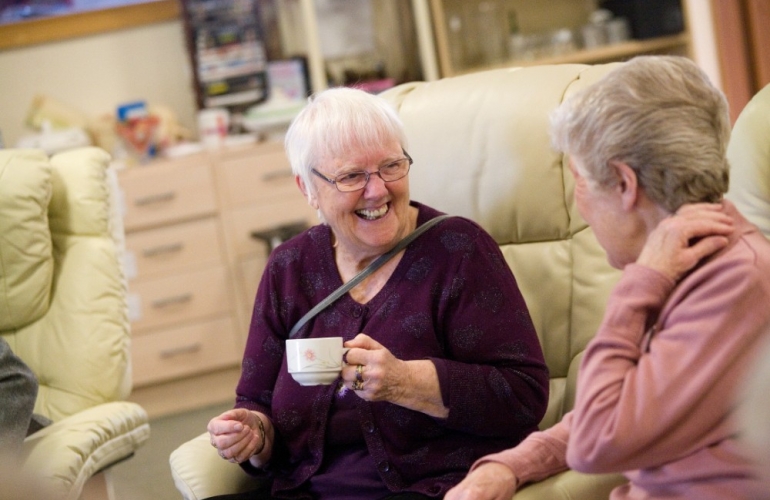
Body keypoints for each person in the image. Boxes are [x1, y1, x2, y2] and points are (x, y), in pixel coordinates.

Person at [446, 55, 770, 500]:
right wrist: (510, 466)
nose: (579, 206)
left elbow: (599, 437)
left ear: (623, 183)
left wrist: (640, 284)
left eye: (578, 179)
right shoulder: (692, 263)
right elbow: (631, 402)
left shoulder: (732, 283)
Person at [207, 87, 549, 499]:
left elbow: (523, 396)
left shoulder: (459, 251)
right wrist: (253, 436)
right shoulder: (288, 268)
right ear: (307, 188)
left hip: (430, 488)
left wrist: (407, 382)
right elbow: (257, 400)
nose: (378, 190)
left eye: (391, 166)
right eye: (352, 176)